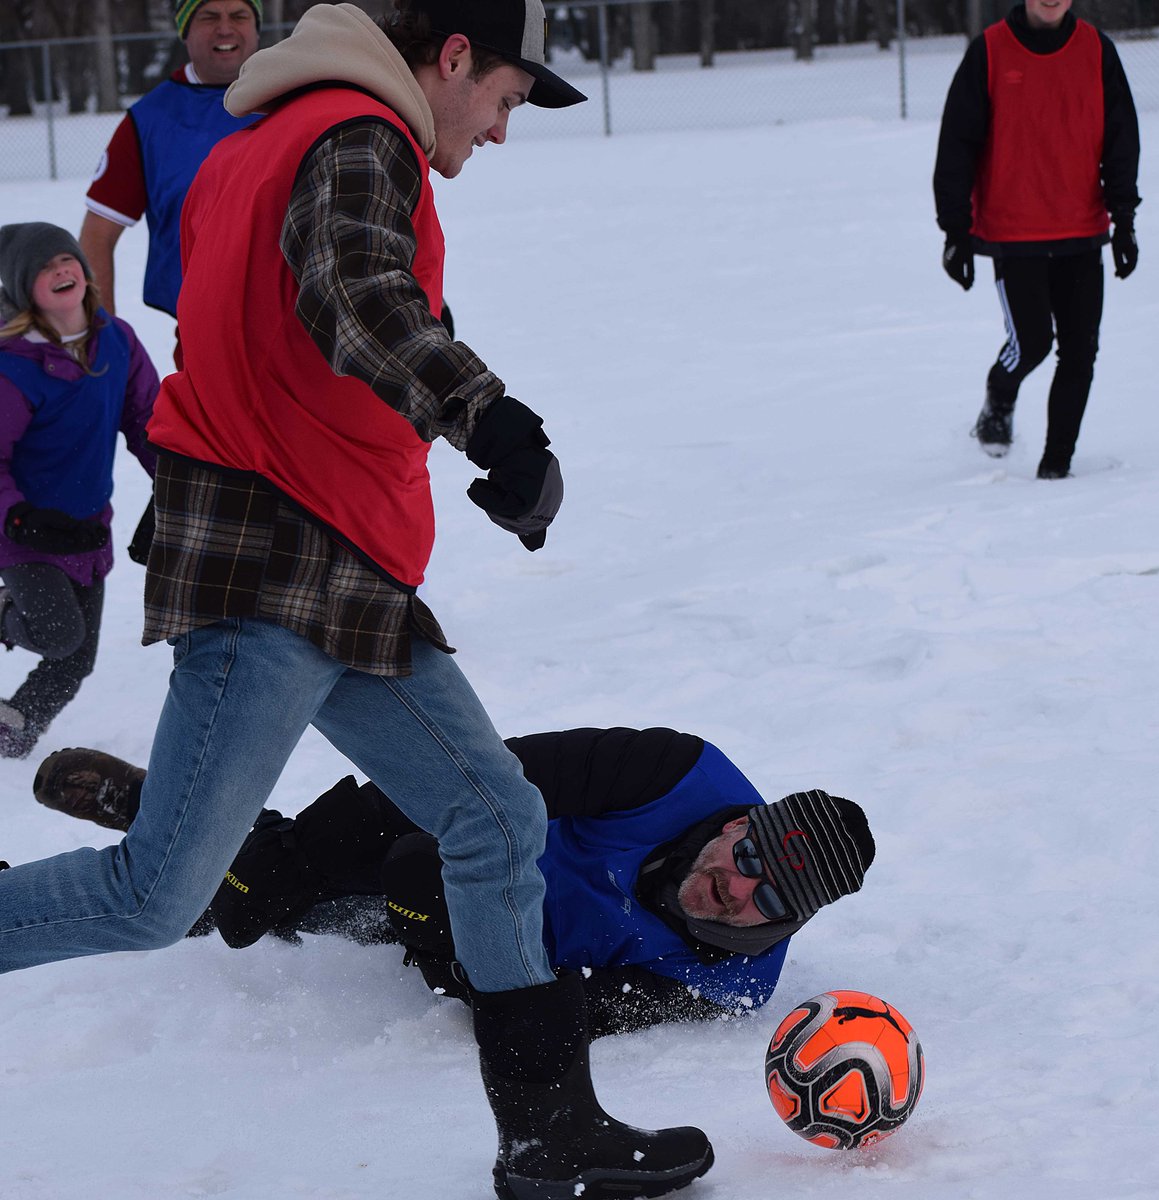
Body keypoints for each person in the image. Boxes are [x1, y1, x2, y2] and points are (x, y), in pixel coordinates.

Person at [0, 6, 710, 1199]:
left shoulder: (270, 136)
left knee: (496, 817)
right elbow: (358, 293)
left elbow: (306, 314)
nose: (500, 130)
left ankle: (547, 1136)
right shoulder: (354, 131)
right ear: (449, 59)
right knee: (156, 891)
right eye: (504, 97)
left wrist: (440, 433)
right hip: (275, 562)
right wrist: (489, 418)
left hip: (337, 562)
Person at [33, 727, 877, 1039]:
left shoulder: (729, 983)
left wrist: (453, 964)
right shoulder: (673, 771)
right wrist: (298, 860)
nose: (734, 887)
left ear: (788, 922)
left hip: (492, 937)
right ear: (738, 821)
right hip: (462, 834)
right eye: (747, 856)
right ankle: (184, 831)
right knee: (298, 878)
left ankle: (197, 871)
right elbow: (470, 778)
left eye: (766, 900)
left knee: (343, 912)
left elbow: (570, 1010)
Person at [933, 0, 1141, 479]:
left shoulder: (1097, 51)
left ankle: (1055, 468)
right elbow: (956, 145)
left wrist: (1124, 219)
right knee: (1031, 344)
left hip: (1082, 230)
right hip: (1015, 232)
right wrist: (956, 231)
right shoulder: (988, 52)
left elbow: (1120, 139)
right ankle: (1000, 394)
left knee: (1080, 351)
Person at [0, 223, 158, 760]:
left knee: (75, 660)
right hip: (22, 532)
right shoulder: (12, 367)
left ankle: (10, 731)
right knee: (59, 635)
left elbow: (148, 423)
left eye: (67, 259)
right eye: (46, 268)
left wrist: (177, 484)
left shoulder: (117, 341)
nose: (63, 270)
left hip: (88, 527)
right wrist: (17, 518)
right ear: (26, 289)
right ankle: (3, 610)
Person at [80, 1, 262, 334]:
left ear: (256, 27)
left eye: (239, 16)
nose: (225, 28)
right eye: (209, 17)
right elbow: (97, 234)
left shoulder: (292, 96)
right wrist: (104, 337)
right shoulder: (150, 119)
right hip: (203, 333)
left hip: (300, 331)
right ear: (185, 30)